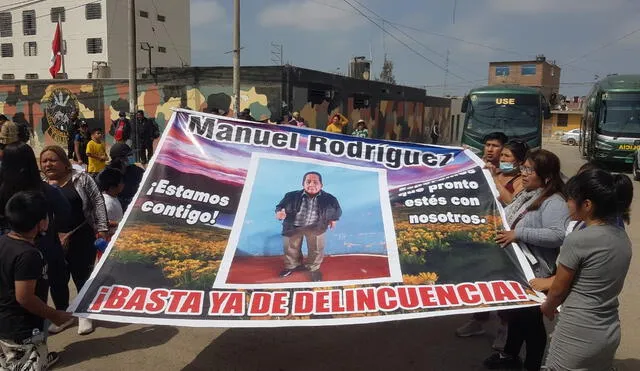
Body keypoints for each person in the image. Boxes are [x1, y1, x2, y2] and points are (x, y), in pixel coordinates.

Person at [484, 149, 569, 371]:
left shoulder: (554, 202)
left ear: (546, 176)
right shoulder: (528, 194)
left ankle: (532, 365)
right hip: (518, 268)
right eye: (524, 167)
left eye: (529, 170)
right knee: (517, 316)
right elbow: (509, 213)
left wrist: (519, 234)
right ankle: (510, 355)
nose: (523, 173)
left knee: (532, 324)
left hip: (536, 273)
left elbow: (558, 234)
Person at [542, 169, 633, 371]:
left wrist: (547, 307)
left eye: (570, 199)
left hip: (577, 332)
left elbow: (558, 289)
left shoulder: (579, 239)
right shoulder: (621, 237)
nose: (567, 204)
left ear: (587, 205)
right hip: (609, 330)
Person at [0, 191, 73, 370]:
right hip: (22, 325)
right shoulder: (28, 255)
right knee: (25, 362)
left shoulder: (4, 241)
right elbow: (25, 297)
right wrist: (54, 315)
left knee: (9, 352)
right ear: (41, 223)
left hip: (6, 320)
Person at [40, 146, 108, 335]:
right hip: (52, 240)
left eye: (53, 160)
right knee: (57, 279)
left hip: (81, 236)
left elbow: (98, 202)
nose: (48, 164)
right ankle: (63, 316)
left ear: (64, 162)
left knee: (82, 275)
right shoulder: (41, 184)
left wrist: (102, 229)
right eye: (44, 161)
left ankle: (84, 312)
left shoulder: (82, 179)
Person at [0, 143, 71, 316]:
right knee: (44, 290)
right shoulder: (46, 190)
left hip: (8, 248)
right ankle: (58, 316)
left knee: (15, 293)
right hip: (46, 248)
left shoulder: (2, 191)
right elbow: (65, 211)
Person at [275, 172, 342, 282]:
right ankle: (292, 266)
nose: (311, 184)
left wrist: (334, 219)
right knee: (290, 248)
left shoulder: (330, 198)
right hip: (293, 226)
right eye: (308, 181)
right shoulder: (290, 196)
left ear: (321, 185)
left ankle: (313, 268)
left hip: (316, 227)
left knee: (316, 249)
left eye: (315, 182)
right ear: (303, 184)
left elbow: (337, 210)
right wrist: (279, 212)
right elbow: (280, 207)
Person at [487, 140, 529, 205]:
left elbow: (511, 202)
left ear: (519, 161)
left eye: (507, 156)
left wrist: (494, 178)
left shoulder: (522, 181)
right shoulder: (495, 171)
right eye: (501, 155)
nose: (502, 159)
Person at [107, 143, 145, 211]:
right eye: (129, 155)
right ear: (120, 159)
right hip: (117, 209)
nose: (132, 157)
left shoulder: (137, 170)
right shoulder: (108, 174)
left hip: (135, 208)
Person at [96, 168, 124, 239]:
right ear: (112, 187)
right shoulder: (107, 202)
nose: (123, 184)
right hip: (110, 238)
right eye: (121, 182)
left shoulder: (113, 197)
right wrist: (122, 223)